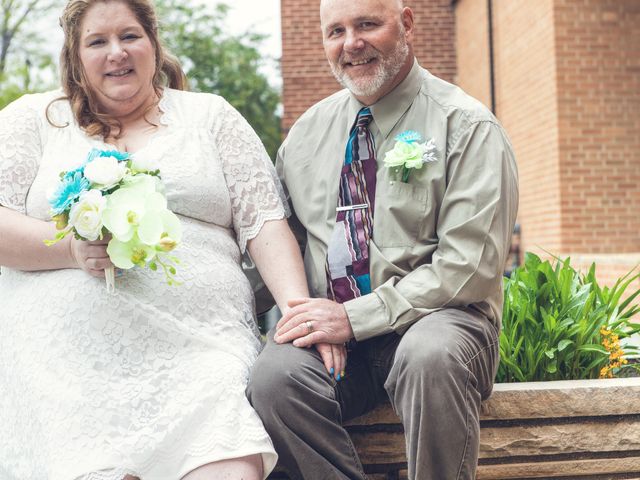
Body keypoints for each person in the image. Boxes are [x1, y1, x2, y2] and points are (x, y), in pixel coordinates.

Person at [0, 0, 318, 478]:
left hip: (199, 354)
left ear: (152, 42)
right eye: (97, 41)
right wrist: (68, 247)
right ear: (75, 54)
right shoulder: (36, 121)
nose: (116, 53)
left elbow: (264, 222)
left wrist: (297, 310)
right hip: (62, 370)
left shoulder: (211, 117)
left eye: (129, 36)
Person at [246, 0, 519, 478]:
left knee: (428, 356)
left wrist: (350, 318)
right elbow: (276, 253)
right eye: (336, 31)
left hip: (441, 325)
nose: (351, 44)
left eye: (367, 24)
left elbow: (469, 268)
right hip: (338, 345)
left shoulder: (466, 125)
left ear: (407, 23)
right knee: (275, 379)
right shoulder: (305, 136)